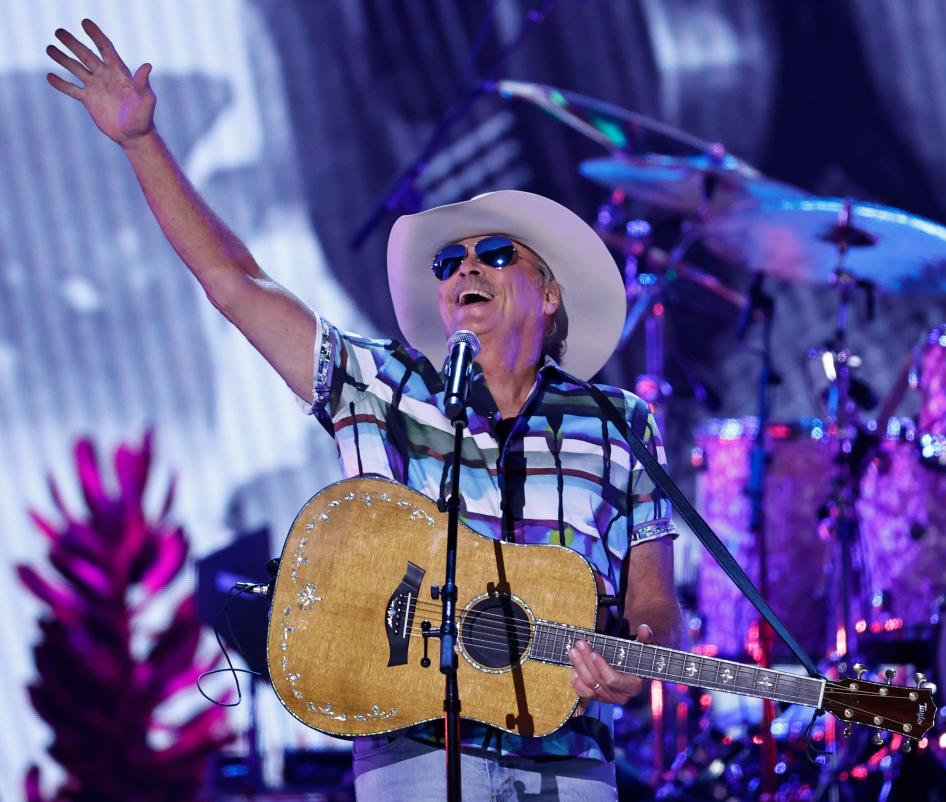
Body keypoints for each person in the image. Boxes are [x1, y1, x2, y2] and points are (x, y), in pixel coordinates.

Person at [46, 19, 681, 801]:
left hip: (572, 764)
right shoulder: (378, 387)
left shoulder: (620, 424)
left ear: (548, 294)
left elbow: (653, 600)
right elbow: (236, 283)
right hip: (408, 761)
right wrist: (143, 142)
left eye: (494, 254)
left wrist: (632, 657)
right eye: (449, 262)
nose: (465, 270)